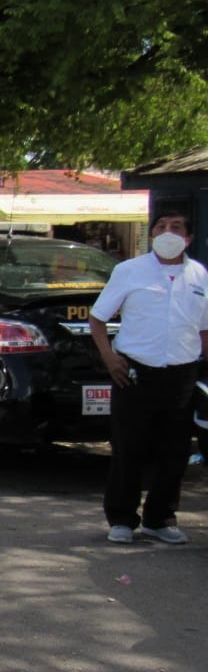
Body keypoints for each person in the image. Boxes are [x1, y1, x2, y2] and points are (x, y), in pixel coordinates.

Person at [89, 209, 208, 545]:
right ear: (152, 233)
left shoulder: (199, 275)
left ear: (189, 237)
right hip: (136, 371)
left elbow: (204, 329)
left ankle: (160, 518)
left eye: (177, 227)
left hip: (183, 372)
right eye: (162, 226)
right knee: (129, 448)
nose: (169, 231)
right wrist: (110, 358)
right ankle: (122, 518)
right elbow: (97, 320)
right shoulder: (129, 271)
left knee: (175, 451)